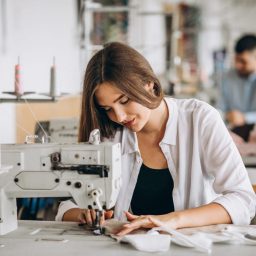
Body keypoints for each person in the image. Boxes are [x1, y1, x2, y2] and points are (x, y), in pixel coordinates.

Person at [56, 42, 256, 236]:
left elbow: (244, 200)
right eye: (107, 109)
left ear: (149, 84)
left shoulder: (200, 119)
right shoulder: (110, 132)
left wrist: (173, 220)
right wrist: (85, 214)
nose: (119, 116)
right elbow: (68, 204)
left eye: (124, 101)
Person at [218, 34, 256, 127]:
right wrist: (227, 116)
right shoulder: (227, 77)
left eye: (243, 61)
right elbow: (220, 108)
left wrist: (244, 118)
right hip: (232, 130)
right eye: (236, 60)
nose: (238, 65)